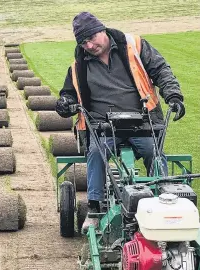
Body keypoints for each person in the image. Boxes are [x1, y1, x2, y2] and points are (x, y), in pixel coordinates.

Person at [55, 12, 185, 232]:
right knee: (96, 153)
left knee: (155, 151)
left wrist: (173, 95)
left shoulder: (135, 46)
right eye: (83, 42)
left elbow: (161, 69)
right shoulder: (78, 66)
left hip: (142, 123)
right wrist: (64, 103)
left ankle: (162, 200)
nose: (89, 45)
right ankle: (94, 210)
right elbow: (68, 93)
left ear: (102, 30)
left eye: (91, 38)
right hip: (103, 127)